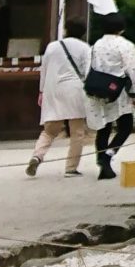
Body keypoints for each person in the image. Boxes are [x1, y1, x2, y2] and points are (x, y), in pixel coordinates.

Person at [85, 12, 135, 179]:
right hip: (119, 90)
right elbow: (131, 69)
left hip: (99, 88)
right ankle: (109, 155)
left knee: (104, 127)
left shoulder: (96, 45)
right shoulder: (126, 45)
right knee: (125, 127)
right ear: (122, 28)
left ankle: (102, 161)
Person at [29, 28, 94, 176]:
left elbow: (43, 69)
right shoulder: (84, 48)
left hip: (52, 89)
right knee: (77, 132)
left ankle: (37, 156)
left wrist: (41, 91)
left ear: (65, 30)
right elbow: (88, 71)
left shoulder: (52, 46)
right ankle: (71, 168)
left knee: (49, 131)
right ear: (83, 32)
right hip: (74, 89)